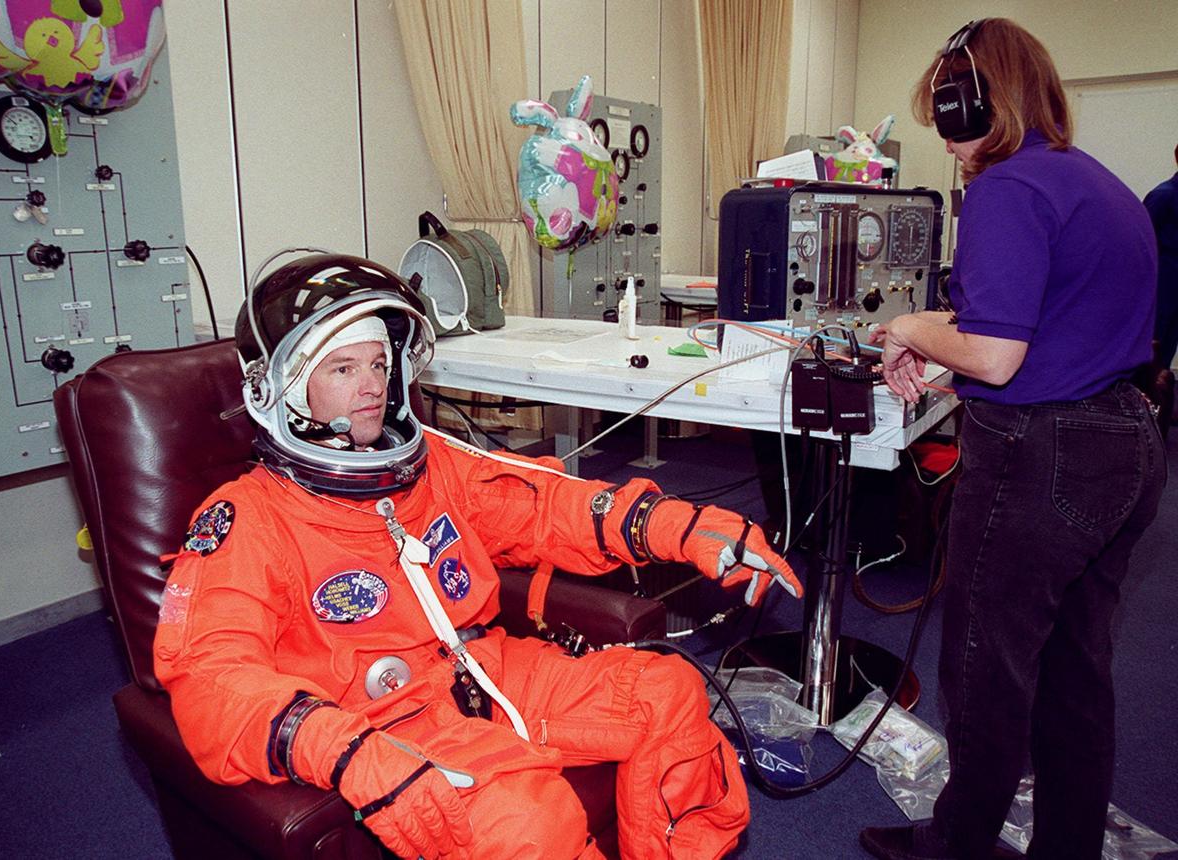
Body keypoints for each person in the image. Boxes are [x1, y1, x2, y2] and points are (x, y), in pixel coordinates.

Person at [153, 253, 802, 860]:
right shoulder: (247, 518)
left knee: (669, 693)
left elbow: (546, 507)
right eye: (342, 369)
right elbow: (212, 676)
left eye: (378, 363)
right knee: (535, 821)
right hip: (382, 724)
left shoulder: (432, 467)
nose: (372, 386)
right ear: (283, 389)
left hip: (485, 669)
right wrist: (344, 752)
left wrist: (680, 528)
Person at [860, 19, 1165, 860]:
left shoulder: (1005, 189)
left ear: (976, 103)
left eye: (947, 116)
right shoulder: (1098, 183)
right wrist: (936, 332)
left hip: (1045, 456)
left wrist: (910, 327)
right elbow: (1044, 317)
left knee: (984, 667)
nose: (946, 142)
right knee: (1075, 668)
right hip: (1128, 442)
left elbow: (996, 355)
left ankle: (958, 844)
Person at [1145, 143, 1178, 369]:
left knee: (1167, 350)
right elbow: (1141, 244)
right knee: (1152, 350)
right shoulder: (1163, 196)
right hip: (1161, 288)